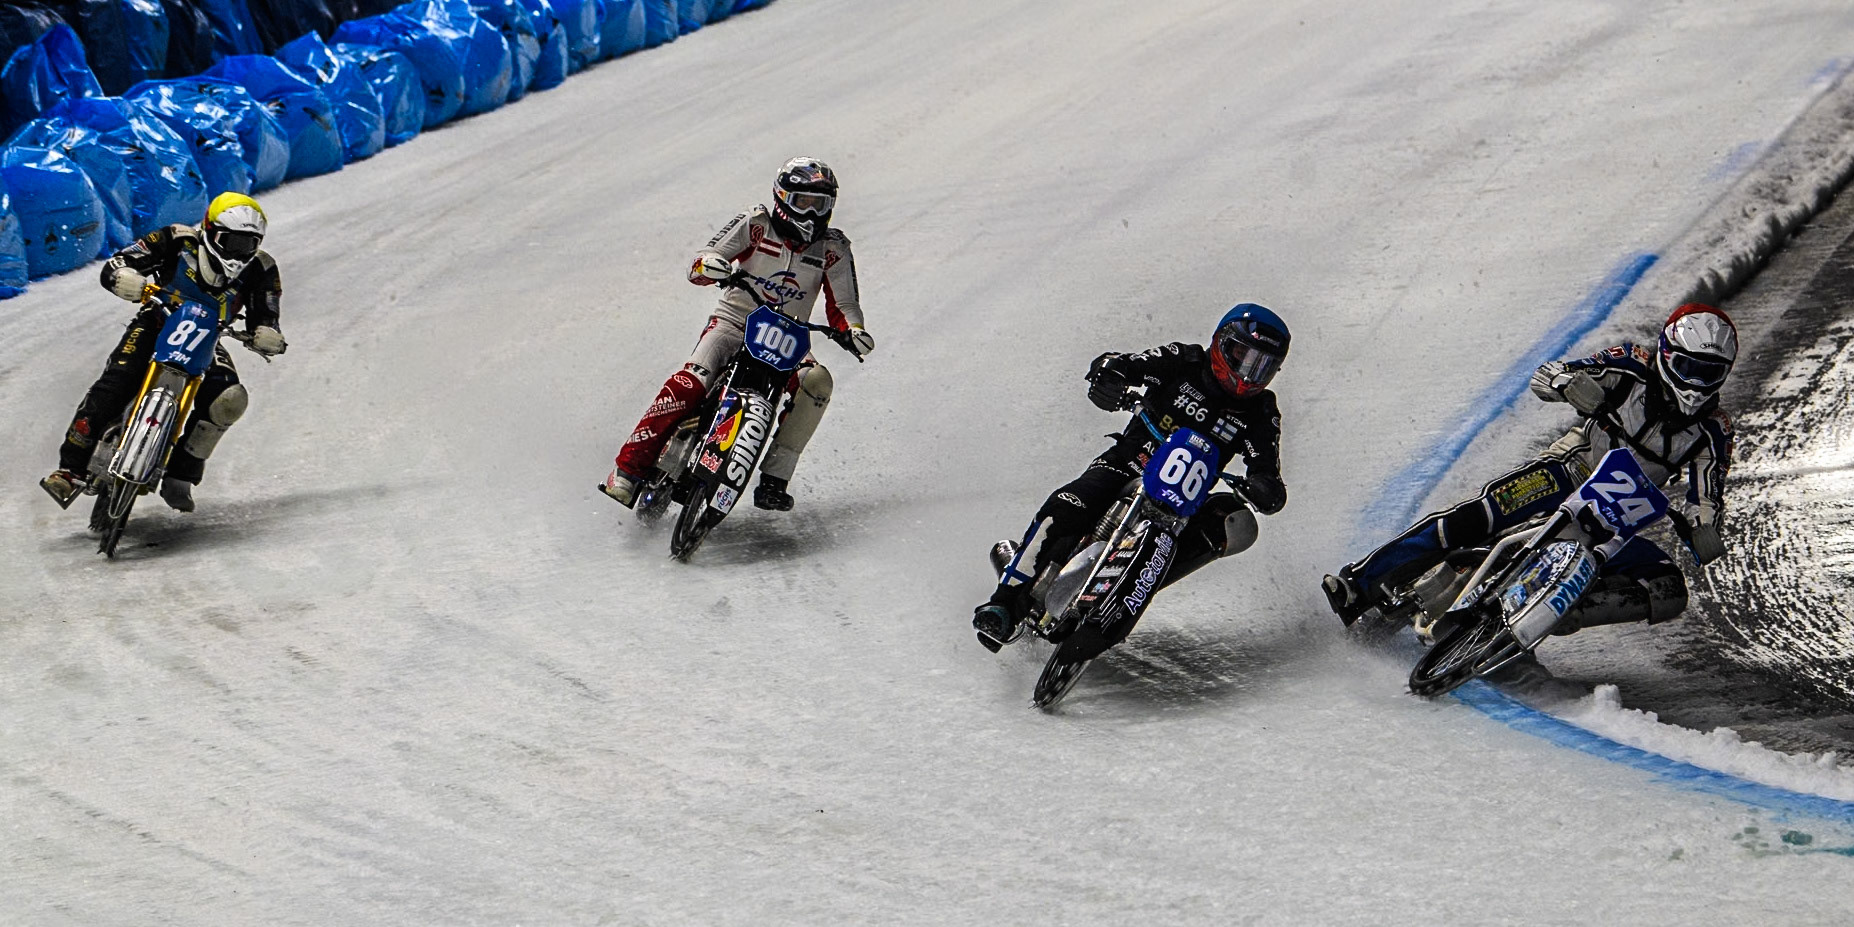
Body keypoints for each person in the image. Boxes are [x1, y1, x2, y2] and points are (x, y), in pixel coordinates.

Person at [1322, 303, 1737, 634]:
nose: (1696, 384)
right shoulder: (1628, 365)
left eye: (1709, 373)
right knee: (1476, 516)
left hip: (1617, 519)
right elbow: (1548, 374)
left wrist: (1704, 527)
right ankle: (1358, 585)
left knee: (1668, 587)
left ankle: (1550, 617)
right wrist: (1569, 385)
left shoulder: (1713, 431)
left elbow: (1709, 493)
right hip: (1568, 471)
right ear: (1666, 354)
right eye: (1688, 368)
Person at [972, 304, 1291, 649]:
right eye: (1244, 358)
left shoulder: (1262, 411)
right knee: (1066, 505)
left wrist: (1265, 489)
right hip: (1126, 465)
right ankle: (1003, 604)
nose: (1248, 374)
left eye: (1263, 366)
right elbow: (1121, 364)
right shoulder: (1183, 361)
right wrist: (1110, 376)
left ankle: (1138, 584)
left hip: (1184, 504)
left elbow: (1268, 472)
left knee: (1239, 522)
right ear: (1220, 344)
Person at [601, 157, 874, 512]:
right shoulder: (756, 223)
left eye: (818, 205)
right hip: (733, 322)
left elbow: (845, 305)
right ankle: (626, 472)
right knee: (689, 383)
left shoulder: (834, 248)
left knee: (818, 383)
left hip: (787, 338)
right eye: (801, 202)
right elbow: (704, 259)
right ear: (782, 198)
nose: (809, 214)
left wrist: (854, 330)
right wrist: (709, 266)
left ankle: (775, 480)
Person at [40, 192, 286, 514]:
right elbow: (119, 262)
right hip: (156, 321)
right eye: (232, 241)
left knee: (229, 400)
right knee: (114, 385)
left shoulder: (262, 268)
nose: (240, 253)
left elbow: (266, 314)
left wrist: (266, 333)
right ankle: (70, 471)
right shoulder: (175, 239)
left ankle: (181, 474)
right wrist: (125, 279)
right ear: (211, 231)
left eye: (248, 244)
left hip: (209, 340)